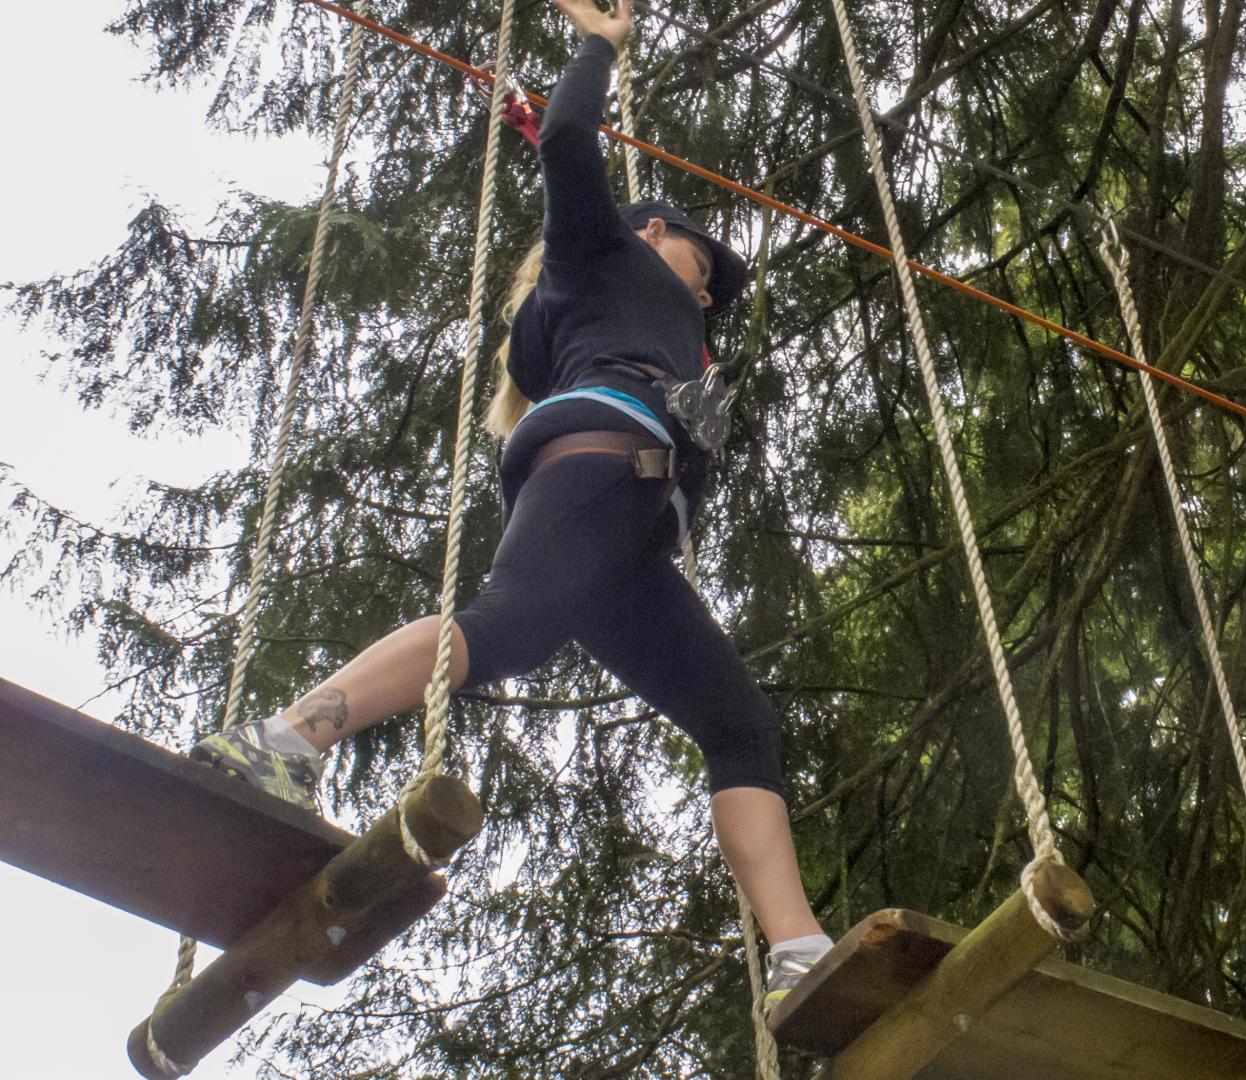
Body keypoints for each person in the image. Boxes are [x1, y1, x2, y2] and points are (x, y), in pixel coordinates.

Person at [190, 0, 832, 1008]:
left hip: (632, 528)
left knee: (739, 725)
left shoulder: (616, 313)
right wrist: (599, 48)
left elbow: (623, 368)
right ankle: (278, 743)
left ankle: (797, 953)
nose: (705, 293)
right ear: (646, 230)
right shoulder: (603, 254)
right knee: (507, 627)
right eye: (700, 266)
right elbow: (573, 140)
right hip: (605, 464)